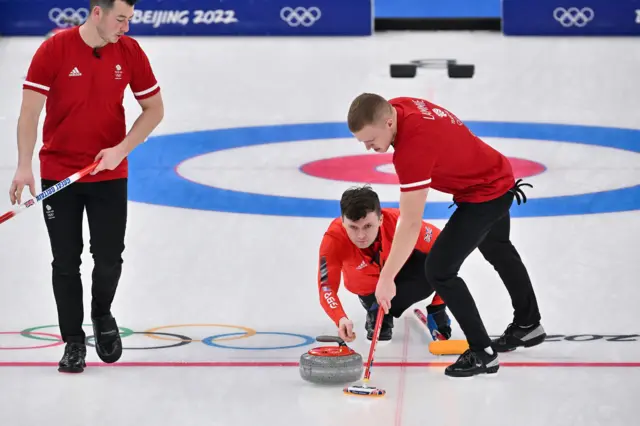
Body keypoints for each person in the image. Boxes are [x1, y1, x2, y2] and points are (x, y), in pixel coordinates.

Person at [9, 0, 164, 373]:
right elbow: (30, 112)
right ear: (98, 12)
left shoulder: (129, 52)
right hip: (60, 173)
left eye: (130, 19)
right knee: (65, 261)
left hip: (109, 173)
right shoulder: (54, 49)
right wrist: (23, 165)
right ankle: (74, 342)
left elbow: (154, 110)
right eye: (120, 18)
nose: (126, 27)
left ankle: (102, 314)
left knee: (109, 257)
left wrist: (121, 149)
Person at [346, 94, 545, 378]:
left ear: (389, 122)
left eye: (370, 139)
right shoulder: (399, 106)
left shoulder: (411, 150)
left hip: (485, 194)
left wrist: (387, 277)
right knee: (498, 248)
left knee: (439, 270)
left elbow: (411, 223)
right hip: (497, 176)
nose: (367, 147)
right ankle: (528, 325)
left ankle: (482, 353)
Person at [317, 185, 452, 343]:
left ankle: (385, 309)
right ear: (343, 222)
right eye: (353, 227)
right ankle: (376, 309)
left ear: (380, 219)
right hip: (368, 288)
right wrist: (340, 318)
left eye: (368, 226)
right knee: (379, 326)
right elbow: (326, 287)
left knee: (432, 263)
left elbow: (448, 253)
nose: (361, 236)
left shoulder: (400, 224)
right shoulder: (333, 240)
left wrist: (439, 305)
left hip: (406, 273)